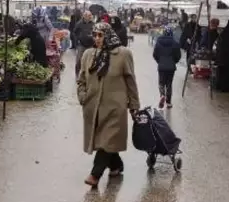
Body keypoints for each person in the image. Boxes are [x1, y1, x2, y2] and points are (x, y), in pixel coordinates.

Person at [77, 22, 140, 187]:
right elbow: (81, 79)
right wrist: (82, 96)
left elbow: (130, 80)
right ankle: (116, 165)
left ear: (108, 35)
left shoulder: (123, 54)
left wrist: (134, 105)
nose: (97, 39)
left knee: (107, 139)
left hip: (114, 107)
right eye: (95, 35)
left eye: (101, 35)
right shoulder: (88, 55)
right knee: (104, 141)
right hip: (93, 106)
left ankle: (95, 175)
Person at [152, 27, 181, 108]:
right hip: (171, 67)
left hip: (161, 67)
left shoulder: (158, 43)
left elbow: (155, 54)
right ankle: (168, 102)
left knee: (161, 83)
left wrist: (160, 61)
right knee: (169, 84)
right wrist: (173, 62)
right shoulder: (175, 43)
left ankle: (162, 95)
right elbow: (178, 56)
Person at [73, 11, 95, 76]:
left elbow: (96, 32)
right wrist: (77, 40)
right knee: (79, 60)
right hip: (81, 44)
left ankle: (88, 74)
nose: (90, 17)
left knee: (91, 60)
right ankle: (77, 74)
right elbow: (74, 32)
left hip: (91, 44)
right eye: (88, 16)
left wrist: (93, 36)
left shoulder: (93, 24)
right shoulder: (79, 23)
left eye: (90, 15)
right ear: (84, 16)